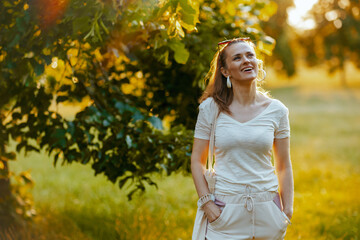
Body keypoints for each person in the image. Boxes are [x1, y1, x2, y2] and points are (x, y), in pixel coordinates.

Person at [191, 38, 294, 240]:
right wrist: (207, 204)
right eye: (237, 58)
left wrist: (286, 210)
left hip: (268, 212)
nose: (246, 61)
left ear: (257, 63)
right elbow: (197, 160)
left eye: (250, 55)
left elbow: (283, 165)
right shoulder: (210, 109)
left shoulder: (277, 110)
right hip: (225, 213)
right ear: (225, 71)